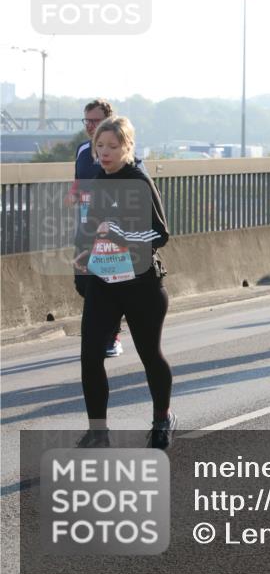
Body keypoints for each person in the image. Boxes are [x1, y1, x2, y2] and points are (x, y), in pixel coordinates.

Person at [71, 116, 175, 449]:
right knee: (90, 357)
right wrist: (82, 260)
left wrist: (120, 235)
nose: (104, 152)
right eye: (99, 146)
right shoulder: (98, 182)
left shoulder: (138, 181)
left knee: (150, 355)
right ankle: (98, 432)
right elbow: (90, 229)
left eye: (112, 146)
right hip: (104, 283)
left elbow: (160, 234)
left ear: (127, 147)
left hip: (141, 284)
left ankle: (162, 420)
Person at [66, 99, 126, 358]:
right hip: (85, 229)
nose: (90, 125)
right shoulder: (82, 149)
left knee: (108, 283)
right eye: (87, 120)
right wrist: (73, 193)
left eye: (95, 121)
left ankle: (111, 336)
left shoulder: (120, 150)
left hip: (110, 231)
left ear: (108, 121)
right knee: (83, 283)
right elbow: (78, 181)